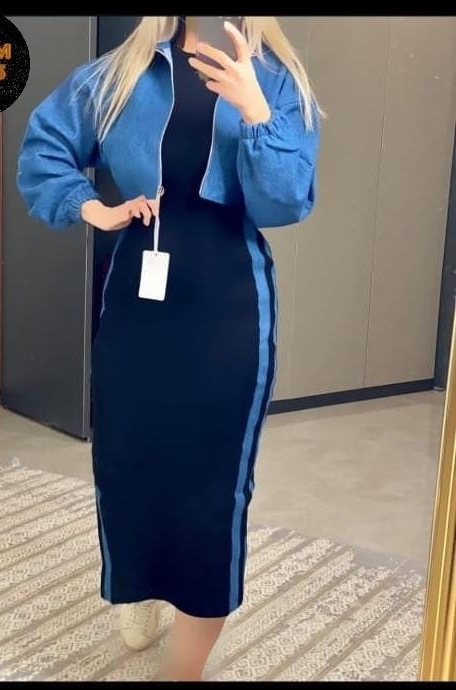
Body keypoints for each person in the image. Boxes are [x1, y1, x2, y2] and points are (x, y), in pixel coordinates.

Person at [17, 15, 321, 681]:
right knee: (129, 463)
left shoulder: (278, 80)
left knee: (212, 485)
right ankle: (141, 584)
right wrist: (90, 207)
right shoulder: (119, 74)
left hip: (229, 307)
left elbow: (286, 203)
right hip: (136, 303)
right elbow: (43, 149)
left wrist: (256, 110)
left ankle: (183, 668)